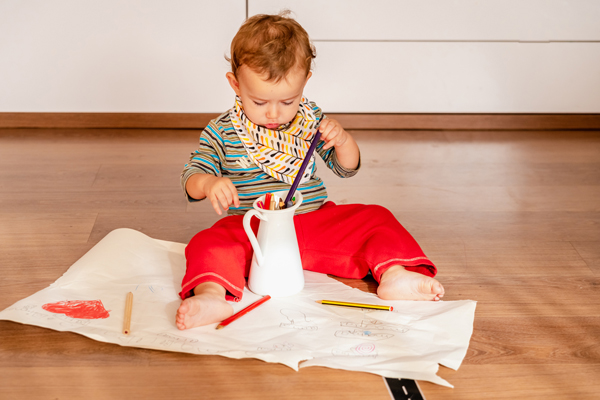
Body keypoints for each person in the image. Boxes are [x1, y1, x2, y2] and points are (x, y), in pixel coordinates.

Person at [176, 12, 444, 330]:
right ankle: (212, 296)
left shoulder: (310, 120)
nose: (274, 113)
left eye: (288, 101)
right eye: (260, 102)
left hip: (313, 220)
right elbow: (191, 175)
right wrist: (208, 183)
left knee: (376, 217)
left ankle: (395, 275)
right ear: (235, 84)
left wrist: (342, 140)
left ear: (305, 83)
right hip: (253, 231)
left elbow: (346, 168)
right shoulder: (222, 131)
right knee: (209, 242)